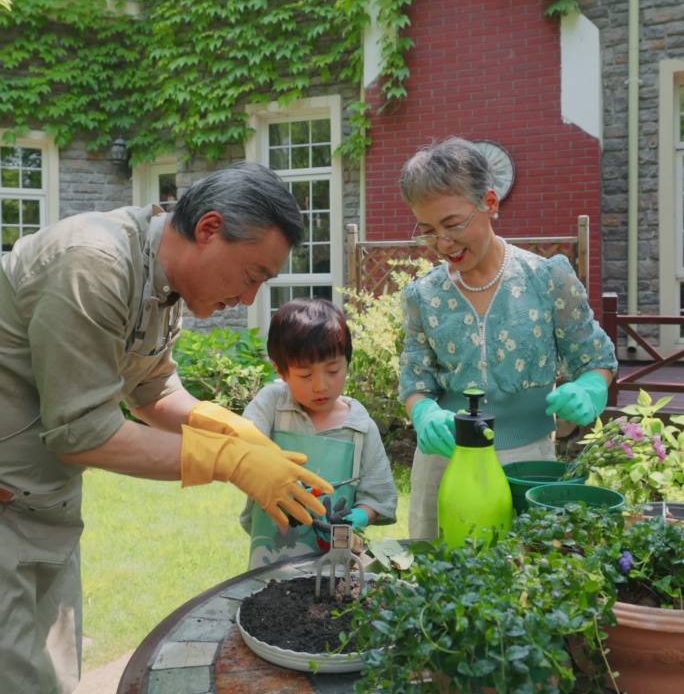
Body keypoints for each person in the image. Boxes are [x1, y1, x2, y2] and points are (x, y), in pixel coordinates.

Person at [0, 162, 334, 694]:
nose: (248, 300)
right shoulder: (95, 261)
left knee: (53, 678)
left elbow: (152, 386)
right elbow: (82, 431)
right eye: (252, 276)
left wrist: (227, 428)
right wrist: (230, 461)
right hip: (6, 509)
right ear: (208, 229)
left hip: (48, 511)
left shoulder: (163, 283)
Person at [398, 138, 617, 539]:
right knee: (441, 583)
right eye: (427, 231)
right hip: (445, 462)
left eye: (453, 224)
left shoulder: (547, 278)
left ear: (491, 203)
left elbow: (595, 357)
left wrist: (589, 388)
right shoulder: (422, 295)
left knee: (526, 577)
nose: (443, 244)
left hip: (527, 464)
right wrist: (424, 413)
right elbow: (416, 380)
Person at [239, 298, 397, 568]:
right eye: (304, 375)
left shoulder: (360, 427)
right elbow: (243, 442)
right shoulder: (272, 405)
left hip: (336, 565)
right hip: (270, 559)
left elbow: (379, 498)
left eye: (333, 370)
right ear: (281, 370)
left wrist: (357, 518)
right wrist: (274, 471)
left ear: (347, 362)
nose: (320, 386)